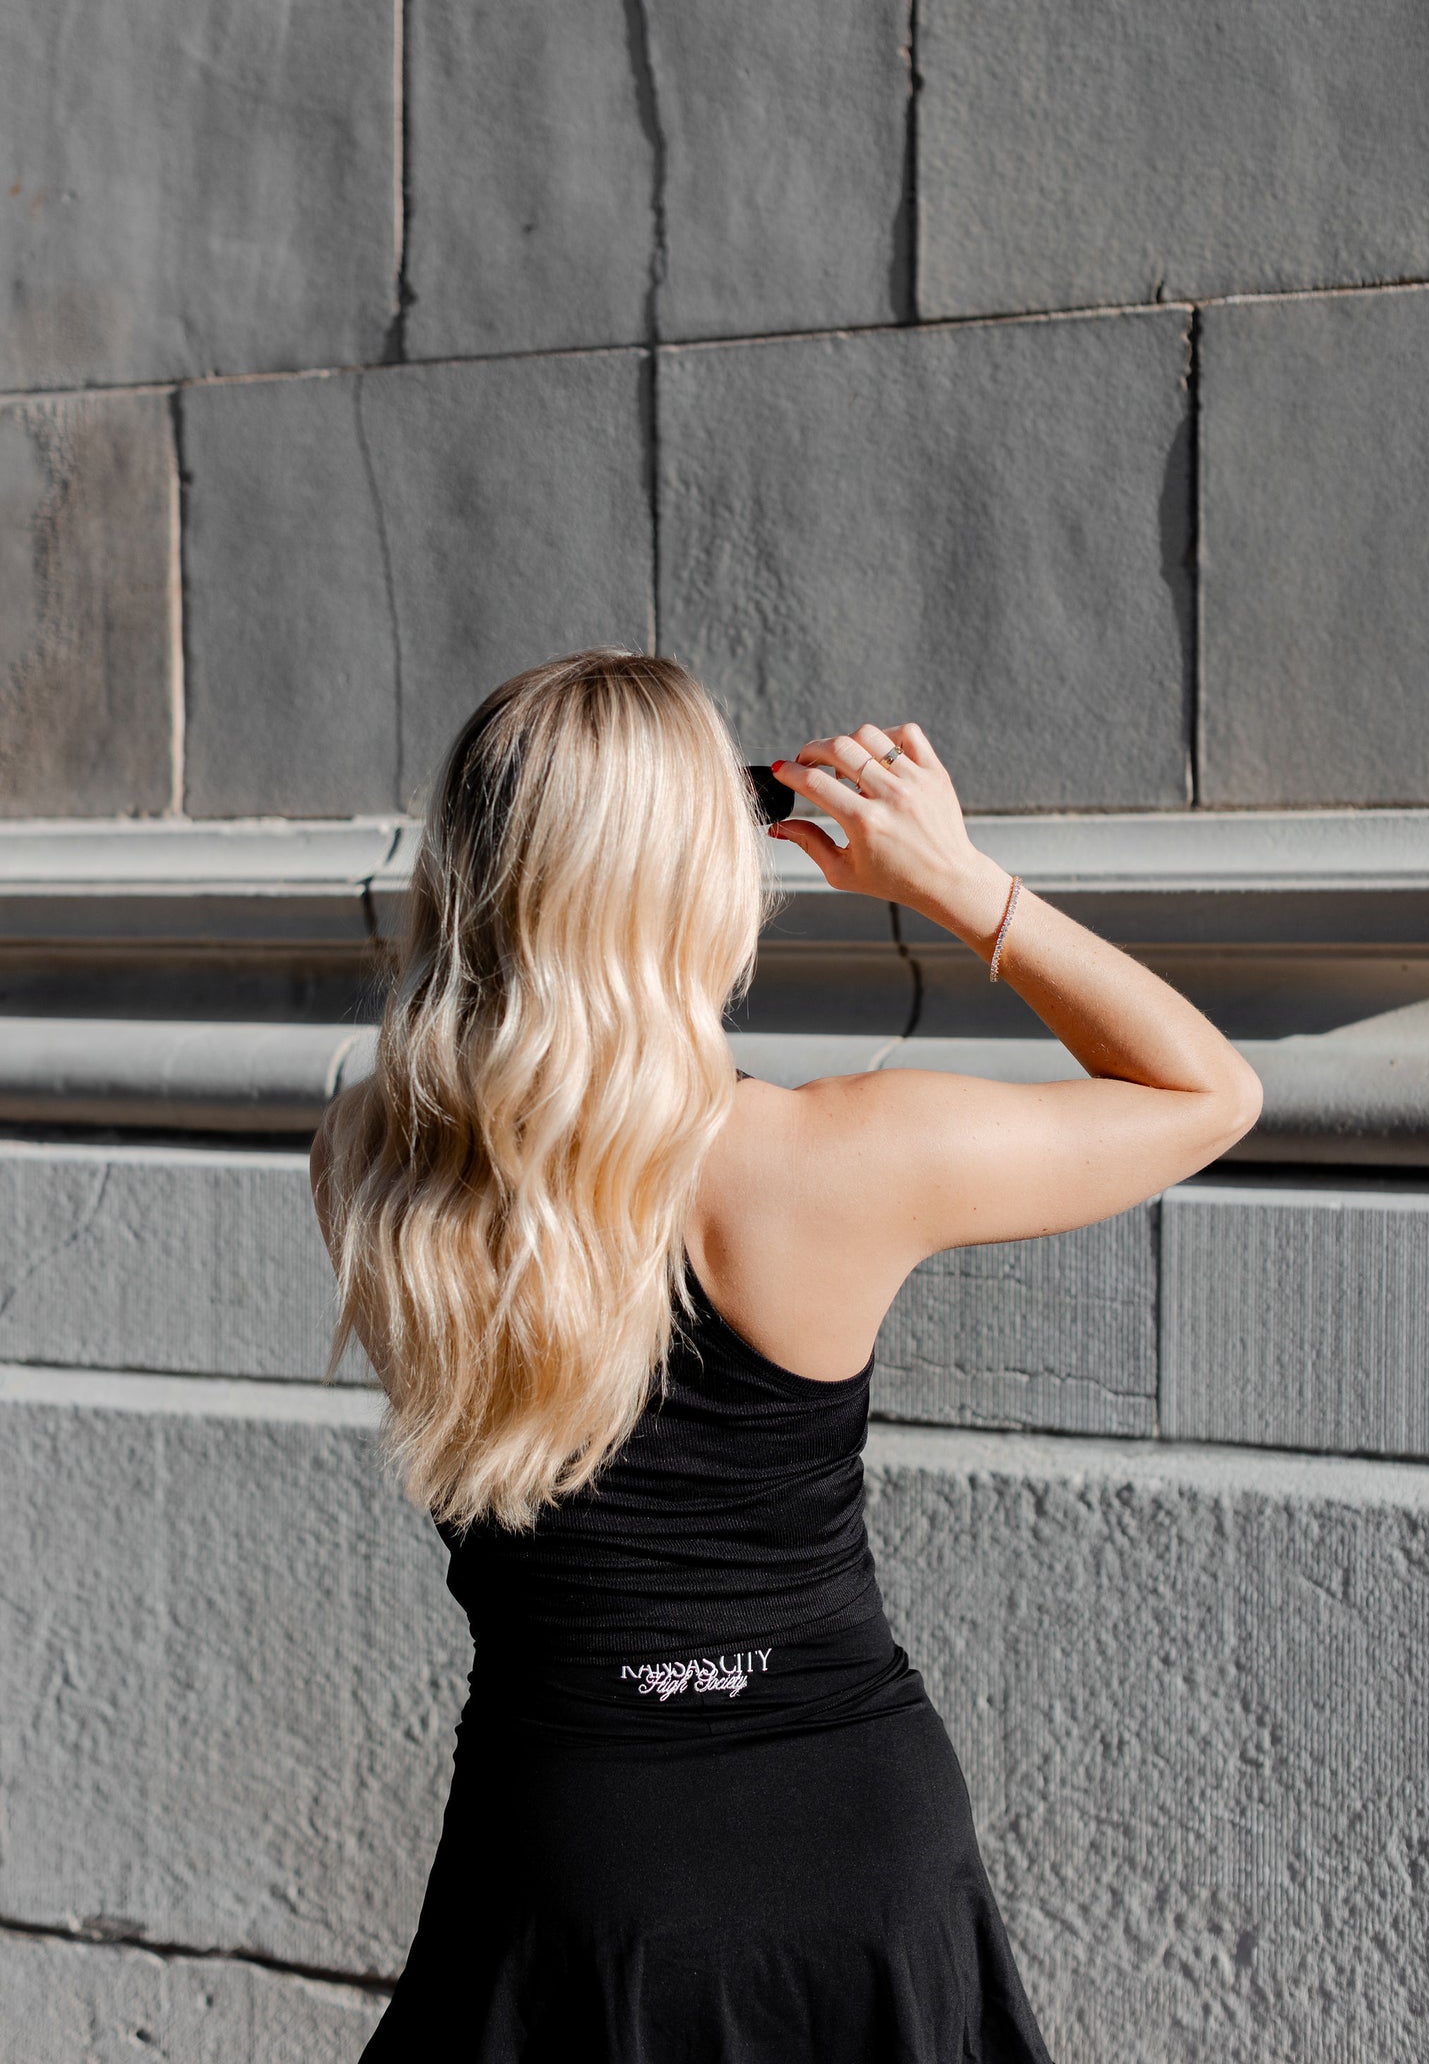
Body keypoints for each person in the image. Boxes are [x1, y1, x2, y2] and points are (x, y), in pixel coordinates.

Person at [309, 647, 1262, 2062]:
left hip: (568, 1852)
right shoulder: (842, 1158)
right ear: (702, 872)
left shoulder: (377, 1163)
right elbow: (1209, 1090)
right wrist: (959, 884)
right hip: (850, 1843)